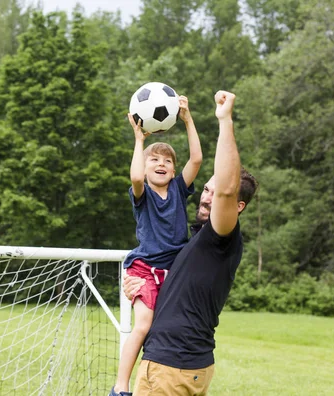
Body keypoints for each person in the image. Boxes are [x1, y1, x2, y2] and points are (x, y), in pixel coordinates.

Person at [122, 90, 259, 395]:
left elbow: (217, 180)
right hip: (167, 362)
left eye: (217, 192)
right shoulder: (194, 239)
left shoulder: (219, 235)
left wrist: (222, 121)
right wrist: (136, 282)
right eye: (206, 189)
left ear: (237, 207)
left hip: (173, 368)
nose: (208, 194)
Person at [110, 95, 203, 396]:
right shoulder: (142, 195)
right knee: (144, 324)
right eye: (155, 159)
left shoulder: (178, 189)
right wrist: (139, 141)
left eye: (167, 161)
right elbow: (136, 175)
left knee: (163, 332)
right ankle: (120, 387)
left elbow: (198, 160)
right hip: (144, 269)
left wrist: (188, 119)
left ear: (174, 171)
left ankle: (152, 382)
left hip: (174, 273)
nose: (161, 163)